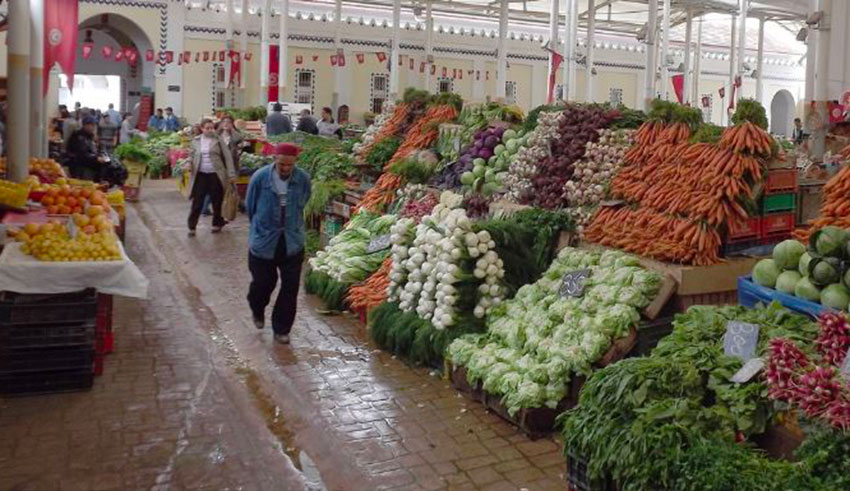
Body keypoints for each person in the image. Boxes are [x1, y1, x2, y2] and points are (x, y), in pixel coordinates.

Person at [245, 143, 312, 344]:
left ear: (295, 163)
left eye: (289, 165)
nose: (285, 169)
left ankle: (281, 328)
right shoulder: (260, 178)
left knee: (290, 287)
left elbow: (305, 201)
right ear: (275, 159)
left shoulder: (302, 179)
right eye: (282, 164)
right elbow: (250, 206)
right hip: (264, 241)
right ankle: (257, 307)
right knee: (263, 284)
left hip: (292, 241)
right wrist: (261, 228)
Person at [187, 119, 235, 236]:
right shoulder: (196, 141)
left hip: (216, 174)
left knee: (217, 200)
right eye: (207, 128)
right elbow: (191, 154)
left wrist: (231, 174)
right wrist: (188, 163)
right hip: (201, 174)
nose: (210, 130)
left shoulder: (218, 140)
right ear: (202, 129)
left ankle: (216, 223)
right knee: (197, 201)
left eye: (211, 128)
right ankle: (192, 225)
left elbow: (228, 157)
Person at [66, 116, 105, 181]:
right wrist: (96, 158)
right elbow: (81, 153)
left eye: (94, 125)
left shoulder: (91, 136)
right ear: (85, 125)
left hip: (91, 165)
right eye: (91, 125)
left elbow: (99, 148)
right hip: (80, 166)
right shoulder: (78, 136)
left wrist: (102, 154)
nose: (93, 127)